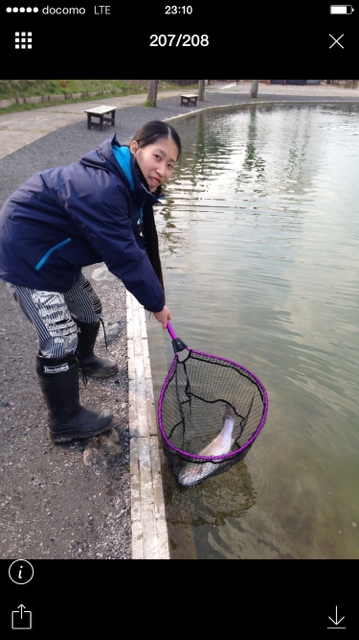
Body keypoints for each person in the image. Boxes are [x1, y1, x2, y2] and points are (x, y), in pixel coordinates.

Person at [0, 120, 181, 444]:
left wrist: (156, 292)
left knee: (89, 308)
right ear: (135, 147)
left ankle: (84, 360)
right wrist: (156, 305)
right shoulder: (104, 188)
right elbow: (124, 256)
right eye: (158, 157)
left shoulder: (129, 184)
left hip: (58, 255)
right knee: (59, 337)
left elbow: (135, 243)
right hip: (26, 253)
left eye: (170, 165)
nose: (163, 170)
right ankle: (65, 421)